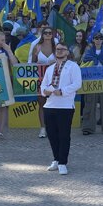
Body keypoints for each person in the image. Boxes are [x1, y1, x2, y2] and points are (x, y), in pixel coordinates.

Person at [40, 42, 82, 175]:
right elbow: (43, 85)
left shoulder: (73, 66)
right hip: (50, 105)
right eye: (57, 49)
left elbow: (77, 84)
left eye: (62, 49)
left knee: (64, 135)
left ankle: (63, 162)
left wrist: (63, 91)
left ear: (67, 52)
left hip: (65, 106)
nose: (59, 51)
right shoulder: (50, 68)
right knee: (52, 135)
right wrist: (44, 92)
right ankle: (56, 159)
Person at [80, 33, 103, 136]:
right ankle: (87, 127)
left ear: (102, 40)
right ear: (93, 40)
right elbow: (85, 61)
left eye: (100, 38)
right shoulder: (89, 51)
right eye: (96, 38)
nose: (98, 40)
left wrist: (98, 60)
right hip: (91, 81)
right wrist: (95, 60)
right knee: (89, 104)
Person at [32, 26, 57, 139]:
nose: (47, 34)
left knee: (54, 103)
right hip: (40, 78)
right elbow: (31, 63)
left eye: (49, 33)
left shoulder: (56, 47)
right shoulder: (37, 46)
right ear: (42, 34)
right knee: (41, 103)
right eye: (45, 33)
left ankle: (52, 127)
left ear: (52, 35)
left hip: (54, 79)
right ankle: (43, 128)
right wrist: (35, 55)